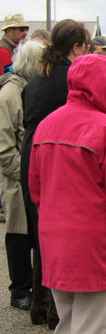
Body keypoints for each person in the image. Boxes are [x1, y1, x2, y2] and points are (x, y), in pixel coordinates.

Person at [29, 54, 106, 334]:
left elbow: (37, 190)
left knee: (69, 324)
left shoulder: (47, 125)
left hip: (57, 245)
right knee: (95, 327)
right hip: (99, 250)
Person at [20, 19, 90, 328]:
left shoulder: (38, 75)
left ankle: (39, 302)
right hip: (53, 155)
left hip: (32, 154)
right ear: (75, 48)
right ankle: (53, 311)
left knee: (40, 233)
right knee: (56, 234)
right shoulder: (68, 77)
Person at [0, 41, 44, 311]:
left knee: (32, 232)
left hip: (29, 176)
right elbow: (5, 147)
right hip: (17, 179)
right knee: (18, 234)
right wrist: (25, 173)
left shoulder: (27, 90)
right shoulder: (9, 95)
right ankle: (19, 290)